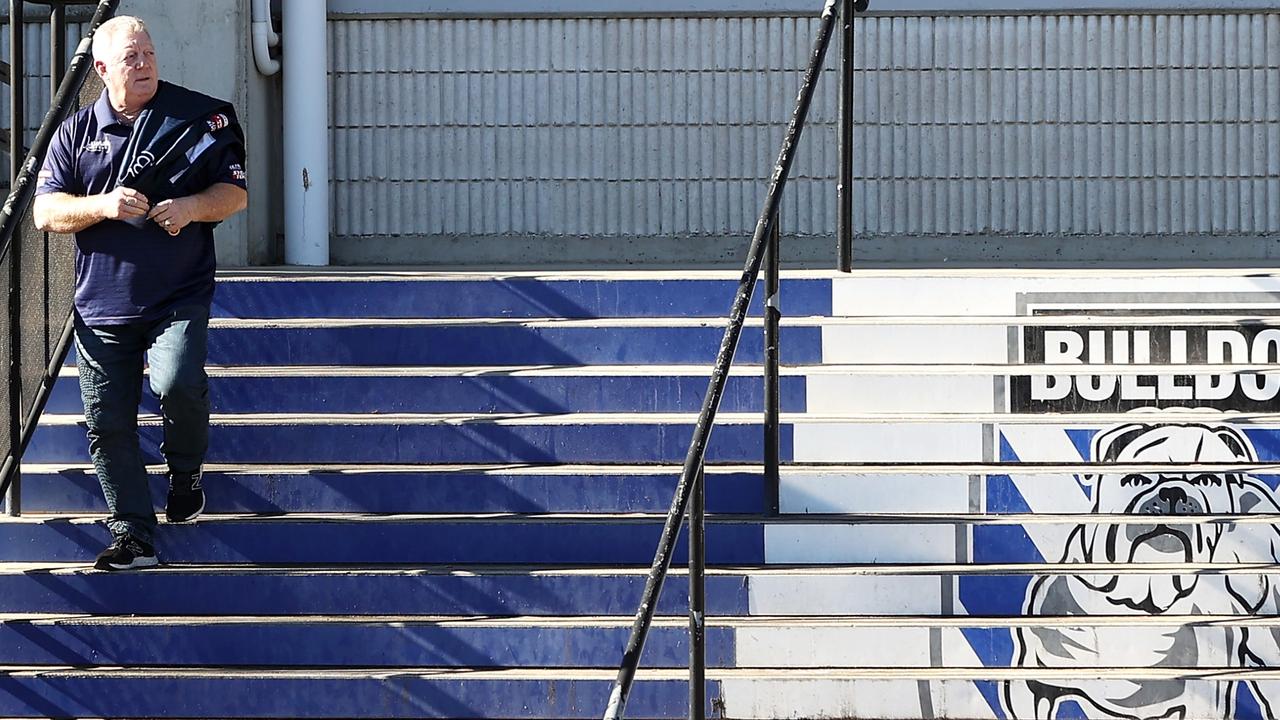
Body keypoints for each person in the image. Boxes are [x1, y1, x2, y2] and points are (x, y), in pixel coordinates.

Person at [32, 15, 247, 571]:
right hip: (102, 304)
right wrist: (102, 205)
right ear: (102, 70)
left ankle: (185, 470)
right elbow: (45, 211)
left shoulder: (198, 117)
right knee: (107, 424)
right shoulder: (75, 132)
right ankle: (132, 534)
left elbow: (234, 193)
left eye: (149, 53)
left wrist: (192, 208)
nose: (146, 63)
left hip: (179, 291)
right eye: (131, 57)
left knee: (176, 381)